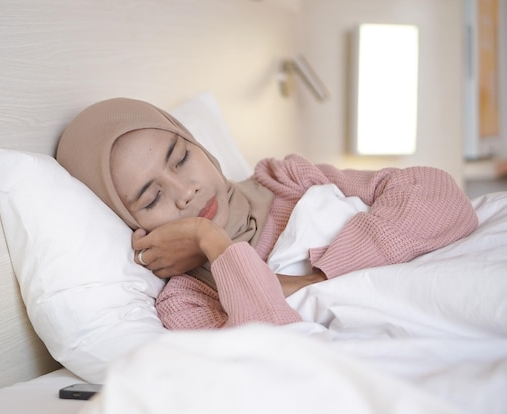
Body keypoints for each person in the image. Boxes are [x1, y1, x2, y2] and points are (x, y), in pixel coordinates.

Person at [56, 97, 478, 330]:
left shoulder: (286, 179)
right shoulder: (187, 302)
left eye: (182, 157)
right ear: (131, 224)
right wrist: (213, 246)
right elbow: (273, 351)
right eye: (151, 200)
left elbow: (440, 196)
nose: (187, 192)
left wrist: (318, 278)